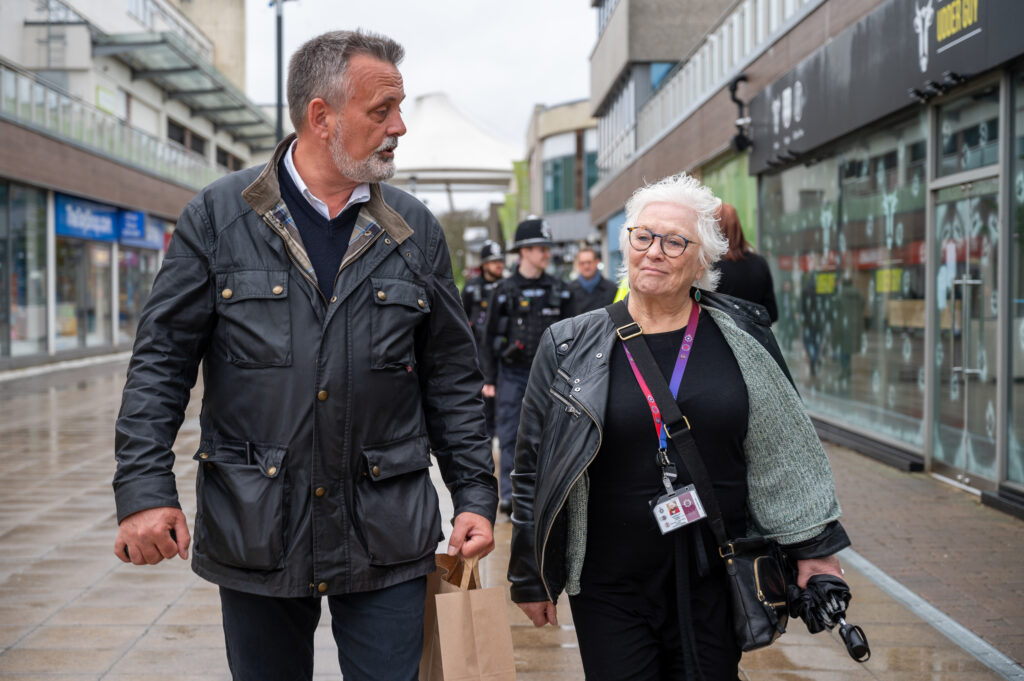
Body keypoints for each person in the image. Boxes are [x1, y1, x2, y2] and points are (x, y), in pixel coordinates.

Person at [111, 30, 497, 681]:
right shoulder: (216, 218)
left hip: (387, 529)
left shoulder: (415, 230)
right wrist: (144, 491)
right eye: (382, 110)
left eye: (399, 108)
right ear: (322, 116)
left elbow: (452, 377)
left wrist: (474, 496)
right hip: (258, 525)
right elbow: (160, 364)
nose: (399, 126)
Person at [507, 173, 849, 680]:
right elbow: (533, 465)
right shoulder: (568, 343)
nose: (655, 251)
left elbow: (784, 452)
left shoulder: (742, 335)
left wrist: (816, 553)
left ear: (704, 259)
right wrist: (529, 576)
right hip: (608, 580)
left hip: (716, 570)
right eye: (643, 236)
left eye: (674, 241)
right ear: (627, 243)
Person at [481, 218, 572, 514]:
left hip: (554, 376)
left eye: (547, 248)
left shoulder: (561, 290)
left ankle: (548, 492)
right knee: (509, 434)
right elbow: (490, 337)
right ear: (523, 252)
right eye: (539, 248)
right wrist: (490, 379)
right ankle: (509, 495)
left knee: (553, 434)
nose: (546, 253)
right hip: (513, 374)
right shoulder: (503, 291)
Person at [461, 239, 505, 438]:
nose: (499, 265)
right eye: (494, 261)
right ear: (484, 264)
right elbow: (461, 320)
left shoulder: (506, 286)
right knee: (483, 408)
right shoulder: (471, 288)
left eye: (500, 260)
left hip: (501, 354)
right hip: (477, 355)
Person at [713, 203, 778, 323]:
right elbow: (772, 313)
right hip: (755, 338)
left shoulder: (711, 268)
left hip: (721, 339)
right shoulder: (760, 263)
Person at [568, 245, 617, 315]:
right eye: (582, 263)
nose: (586, 266)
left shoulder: (612, 289)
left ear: (597, 262)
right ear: (578, 265)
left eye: (589, 262)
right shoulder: (570, 290)